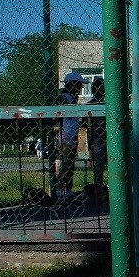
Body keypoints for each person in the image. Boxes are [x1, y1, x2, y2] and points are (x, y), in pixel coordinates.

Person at [54, 71, 85, 201]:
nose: (81, 88)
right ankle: (61, 191)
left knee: (70, 163)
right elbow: (63, 112)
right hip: (65, 134)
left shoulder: (72, 98)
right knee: (64, 163)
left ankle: (68, 190)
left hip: (72, 134)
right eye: (79, 85)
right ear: (72, 84)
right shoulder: (65, 96)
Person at [86, 77, 108, 200]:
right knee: (99, 165)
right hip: (97, 137)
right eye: (102, 86)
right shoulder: (92, 104)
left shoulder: (107, 103)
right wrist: (90, 147)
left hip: (109, 136)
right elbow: (88, 127)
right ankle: (98, 190)